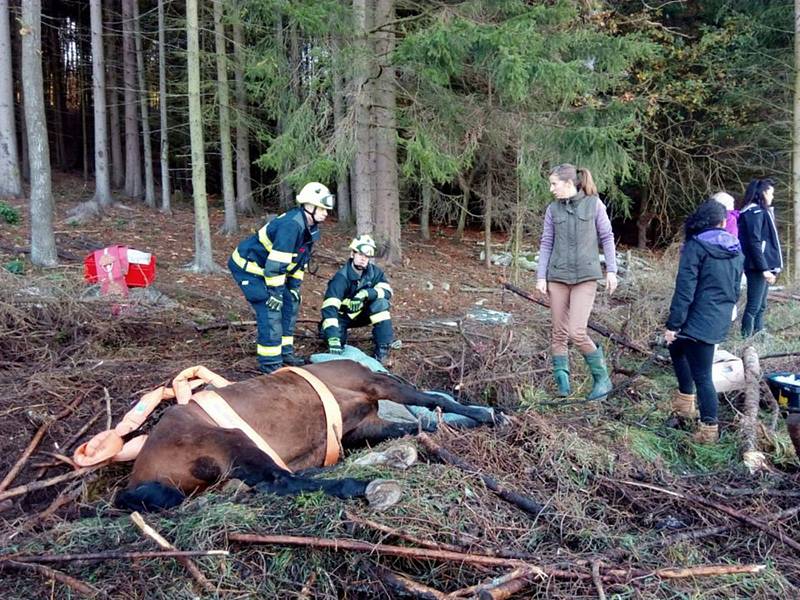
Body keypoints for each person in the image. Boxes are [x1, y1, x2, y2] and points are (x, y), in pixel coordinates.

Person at [229, 182, 334, 373]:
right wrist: (275, 293)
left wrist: (293, 287)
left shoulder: (309, 228)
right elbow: (276, 264)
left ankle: (286, 354)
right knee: (270, 310)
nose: (326, 212)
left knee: (290, 304)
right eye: (322, 208)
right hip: (249, 269)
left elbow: (297, 262)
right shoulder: (291, 226)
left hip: (268, 271)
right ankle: (271, 366)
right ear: (309, 206)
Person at [536, 164, 618, 400]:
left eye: (554, 184)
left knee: (576, 332)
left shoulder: (595, 204)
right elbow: (546, 243)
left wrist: (611, 270)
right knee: (559, 333)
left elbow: (607, 237)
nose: (551, 189)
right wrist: (541, 275)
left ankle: (602, 379)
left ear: (569, 183)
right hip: (557, 277)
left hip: (585, 277)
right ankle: (563, 386)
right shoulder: (553, 209)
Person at [665, 200, 743, 443]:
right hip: (718, 316)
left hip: (696, 318)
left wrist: (673, 324)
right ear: (722, 223)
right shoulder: (736, 250)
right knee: (676, 349)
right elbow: (735, 289)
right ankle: (685, 403)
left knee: (702, 375)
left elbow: (684, 290)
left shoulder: (695, 246)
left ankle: (709, 429)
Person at [320, 234, 394, 364]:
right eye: (360, 254)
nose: (363, 259)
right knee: (335, 342)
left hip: (362, 314)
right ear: (352, 254)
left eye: (366, 256)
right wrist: (333, 337)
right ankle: (328, 334)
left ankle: (382, 352)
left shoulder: (375, 272)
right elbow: (329, 307)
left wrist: (366, 293)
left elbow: (387, 292)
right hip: (342, 317)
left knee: (381, 304)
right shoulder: (341, 278)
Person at [737, 178, 782, 337]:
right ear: (762, 193)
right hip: (756, 266)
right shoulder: (753, 212)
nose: (772, 197)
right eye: (770, 193)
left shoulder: (761, 212)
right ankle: (745, 339)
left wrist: (771, 268)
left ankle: (759, 334)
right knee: (754, 305)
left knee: (761, 305)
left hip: (763, 266)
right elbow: (754, 243)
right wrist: (763, 269)